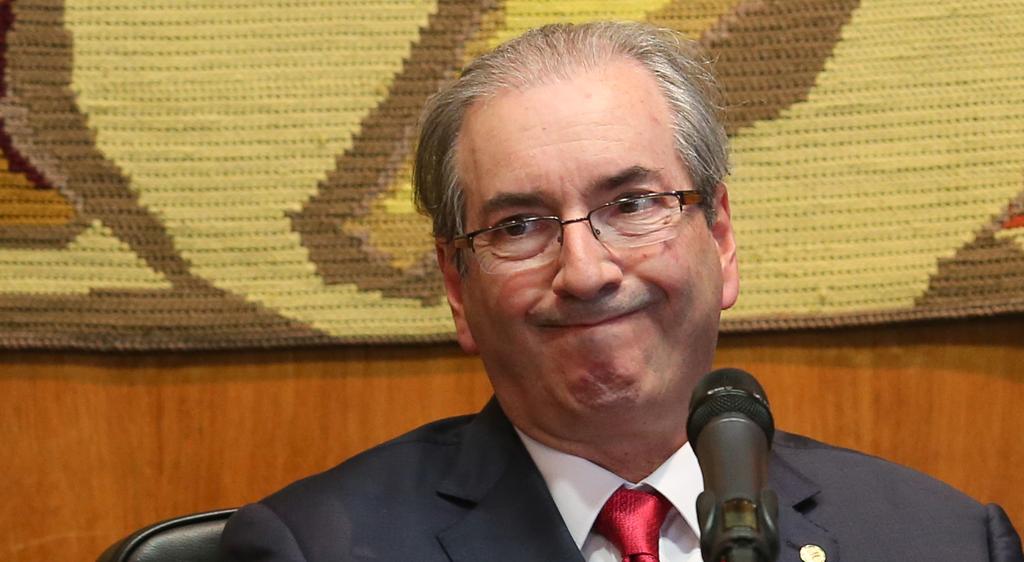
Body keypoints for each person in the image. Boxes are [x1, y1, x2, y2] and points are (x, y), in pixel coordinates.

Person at [220, 22, 1023, 562]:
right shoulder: (314, 548)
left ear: (721, 237)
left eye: (632, 205)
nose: (586, 271)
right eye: (519, 225)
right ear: (456, 286)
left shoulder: (945, 541)